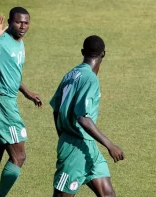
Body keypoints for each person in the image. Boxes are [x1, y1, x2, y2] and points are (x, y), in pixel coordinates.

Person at [0, 7, 43, 197]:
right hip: (2, 104)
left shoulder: (18, 43)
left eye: (26, 23)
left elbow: (10, 71)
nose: (22, 26)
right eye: (18, 22)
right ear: (10, 22)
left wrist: (26, 91)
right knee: (19, 156)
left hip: (8, 100)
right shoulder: (0, 43)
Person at [49, 35, 124, 197]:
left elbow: (55, 109)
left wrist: (62, 134)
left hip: (88, 147)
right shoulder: (90, 78)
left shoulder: (70, 75)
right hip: (74, 147)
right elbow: (82, 117)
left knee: (108, 194)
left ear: (83, 52)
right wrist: (110, 145)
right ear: (103, 54)